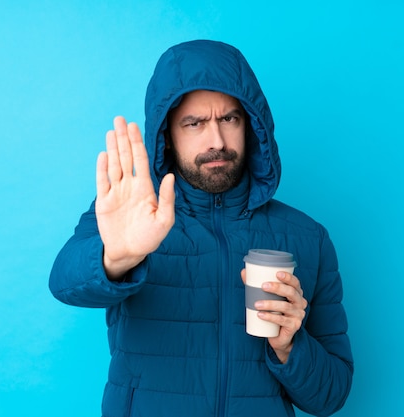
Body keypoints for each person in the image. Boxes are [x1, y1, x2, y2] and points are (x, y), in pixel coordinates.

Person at [49, 40, 353, 417]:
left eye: (230, 119)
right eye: (194, 124)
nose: (217, 142)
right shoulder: (133, 216)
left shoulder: (308, 238)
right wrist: (118, 256)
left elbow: (331, 396)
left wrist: (291, 346)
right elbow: (63, 283)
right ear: (168, 136)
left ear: (251, 125)